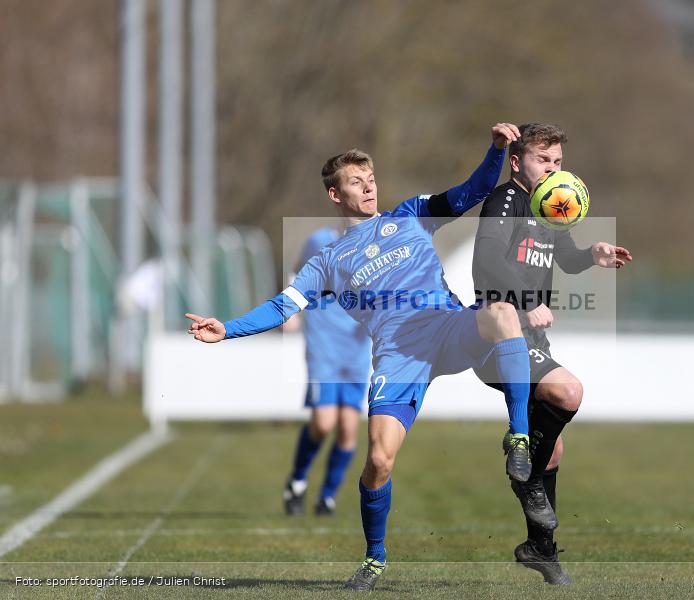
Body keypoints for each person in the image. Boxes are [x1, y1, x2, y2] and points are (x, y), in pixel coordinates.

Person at [186, 122, 540, 591]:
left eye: (370, 177)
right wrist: (227, 328)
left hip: (448, 327)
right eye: (356, 181)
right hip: (399, 356)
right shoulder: (326, 262)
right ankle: (375, 559)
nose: (369, 185)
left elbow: (470, 193)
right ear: (335, 195)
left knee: (502, 313)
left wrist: (496, 152)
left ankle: (518, 438)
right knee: (378, 460)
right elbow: (281, 306)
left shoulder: (411, 214)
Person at [471, 123, 632, 585]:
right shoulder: (506, 201)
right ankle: (522, 472)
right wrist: (526, 301)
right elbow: (487, 260)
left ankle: (540, 549)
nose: (554, 169)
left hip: (532, 337)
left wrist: (591, 256)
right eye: (545, 160)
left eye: (558, 162)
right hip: (499, 330)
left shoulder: (551, 206)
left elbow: (563, 256)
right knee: (568, 392)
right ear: (518, 162)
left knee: (553, 447)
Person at [281, 227, 372, 517]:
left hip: (356, 353)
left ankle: (327, 497)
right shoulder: (319, 241)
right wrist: (292, 310)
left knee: (348, 428)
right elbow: (296, 273)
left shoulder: (377, 251)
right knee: (323, 422)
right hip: (324, 349)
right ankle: (296, 482)